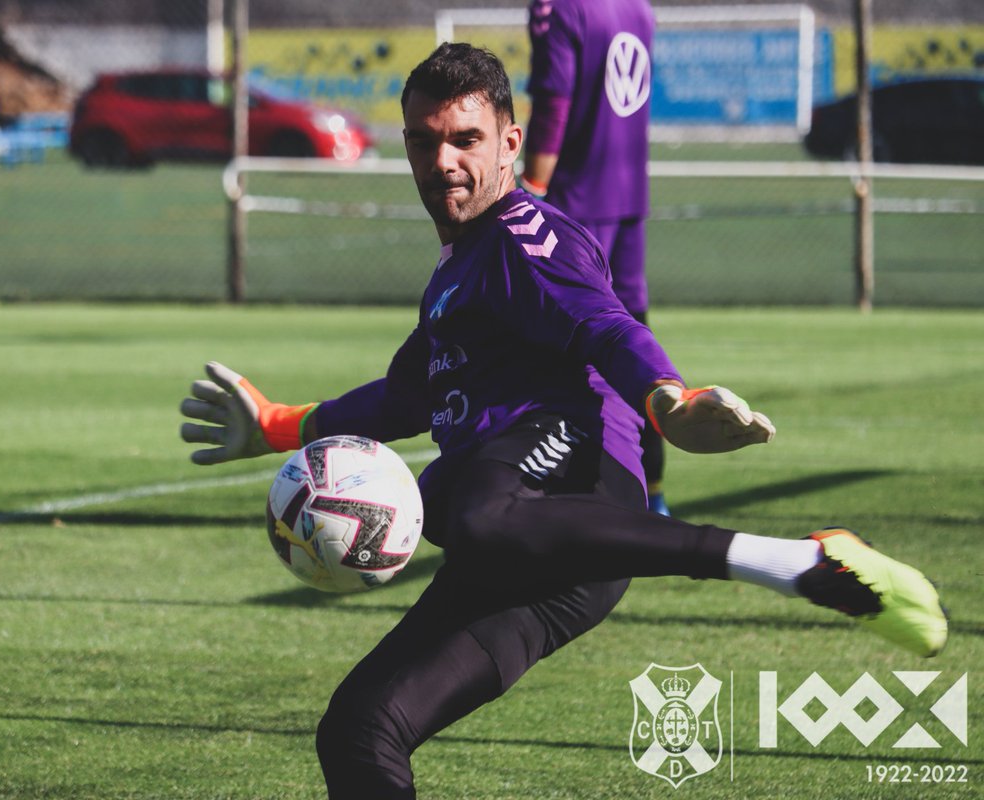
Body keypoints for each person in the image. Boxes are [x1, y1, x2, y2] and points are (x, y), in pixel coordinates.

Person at [179, 44, 946, 800]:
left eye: (465, 139)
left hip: (574, 484)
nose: (442, 159)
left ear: (511, 142)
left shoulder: (522, 236)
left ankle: (800, 564)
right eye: (424, 139)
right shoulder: (455, 275)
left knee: (462, 502)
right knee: (360, 727)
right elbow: (403, 399)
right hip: (543, 565)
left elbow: (606, 327)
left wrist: (666, 400)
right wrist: (275, 425)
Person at [521, 0, 671, 513]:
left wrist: (532, 191)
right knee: (633, 338)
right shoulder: (638, 9)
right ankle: (653, 491)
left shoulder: (561, 9)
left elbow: (555, 102)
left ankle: (567, 489)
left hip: (575, 205)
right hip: (629, 196)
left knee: (559, 352)